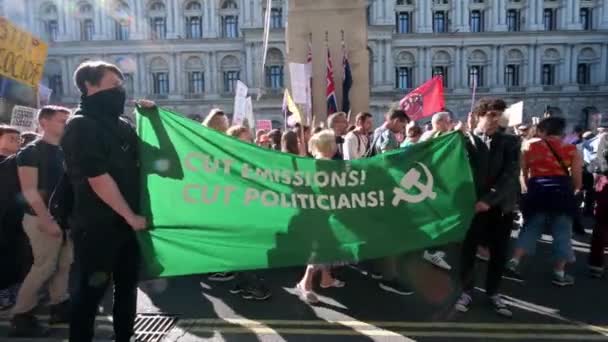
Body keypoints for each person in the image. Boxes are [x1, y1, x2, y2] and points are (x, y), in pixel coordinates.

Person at [60, 61, 154, 342]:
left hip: (125, 226)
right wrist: (131, 216)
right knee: (89, 295)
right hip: (97, 227)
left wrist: (154, 121)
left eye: (121, 85)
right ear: (90, 86)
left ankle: (124, 336)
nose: (120, 91)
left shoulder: (122, 125)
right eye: (114, 85)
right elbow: (98, 178)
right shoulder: (80, 126)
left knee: (127, 288)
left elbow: (150, 158)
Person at [455, 98, 520, 317]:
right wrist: (453, 137)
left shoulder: (511, 142)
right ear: (478, 116)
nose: (495, 120)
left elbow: (510, 176)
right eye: (491, 115)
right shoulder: (464, 140)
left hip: (499, 207)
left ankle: (493, 292)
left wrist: (488, 200)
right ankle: (465, 291)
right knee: (468, 252)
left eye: (499, 115)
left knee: (499, 253)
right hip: (471, 208)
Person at [10, 106, 72, 337]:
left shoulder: (64, 150)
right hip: (40, 218)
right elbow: (29, 190)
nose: (66, 124)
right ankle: (21, 315)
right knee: (43, 267)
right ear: (44, 122)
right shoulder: (31, 151)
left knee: (64, 264)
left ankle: (59, 306)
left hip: (64, 218)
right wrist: (46, 220)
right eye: (61, 121)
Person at [504, 117, 582, 286]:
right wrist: (575, 190)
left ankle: (514, 262)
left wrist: (526, 190)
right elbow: (577, 178)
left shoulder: (529, 147)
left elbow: (522, 173)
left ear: (542, 130)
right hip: (562, 193)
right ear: (562, 131)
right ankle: (559, 273)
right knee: (563, 231)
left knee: (531, 227)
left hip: (537, 191)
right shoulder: (571, 149)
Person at [367, 107, 415, 295]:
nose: (403, 128)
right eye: (403, 123)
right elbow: (389, 163)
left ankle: (379, 270)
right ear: (395, 120)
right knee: (391, 235)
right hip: (387, 191)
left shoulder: (377, 132)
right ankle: (389, 277)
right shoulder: (388, 136)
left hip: (376, 190)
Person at [295, 129, 346, 303]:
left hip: (322, 213)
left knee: (328, 247)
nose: (336, 146)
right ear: (328, 145)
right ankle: (305, 283)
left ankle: (326, 278)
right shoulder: (326, 165)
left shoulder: (317, 163)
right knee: (322, 248)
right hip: (322, 215)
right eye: (333, 143)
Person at [0, 125, 25, 312]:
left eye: (18, 139)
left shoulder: (20, 162)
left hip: (16, 217)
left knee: (15, 255)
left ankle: (12, 291)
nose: (17, 142)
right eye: (11, 138)